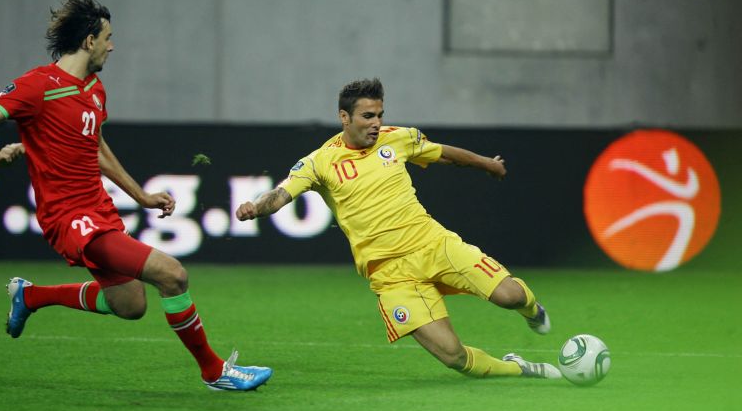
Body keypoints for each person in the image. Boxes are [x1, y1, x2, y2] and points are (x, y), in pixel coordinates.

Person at [0, 0, 272, 392]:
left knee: (130, 305)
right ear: (89, 41)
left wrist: (140, 195)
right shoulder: (38, 86)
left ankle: (31, 295)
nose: (112, 45)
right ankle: (215, 372)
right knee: (173, 275)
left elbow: (98, 150)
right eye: (108, 37)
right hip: (70, 219)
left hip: (98, 210)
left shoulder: (93, 88)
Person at [235, 78, 561, 380]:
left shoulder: (398, 138)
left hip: (433, 244)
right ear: (344, 118)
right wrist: (256, 208)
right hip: (390, 273)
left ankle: (532, 310)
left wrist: (487, 163)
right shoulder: (319, 162)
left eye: (379, 114)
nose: (375, 123)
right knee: (454, 357)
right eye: (367, 116)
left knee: (510, 296)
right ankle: (518, 368)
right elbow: (280, 194)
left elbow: (443, 153)